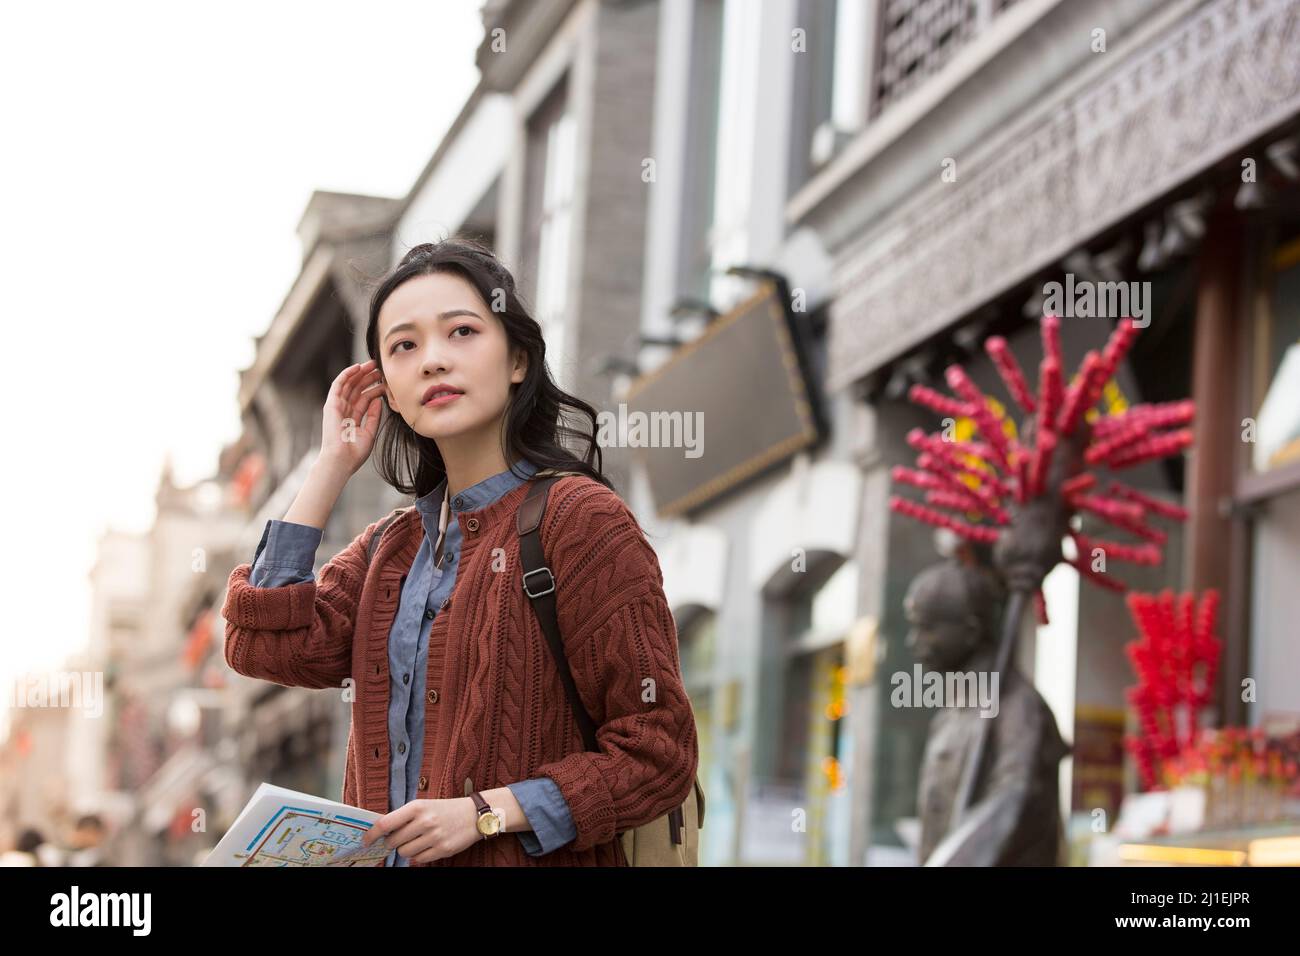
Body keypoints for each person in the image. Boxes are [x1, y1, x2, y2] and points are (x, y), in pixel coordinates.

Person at [222, 237, 698, 866]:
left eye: (463, 332)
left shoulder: (580, 522)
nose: (433, 361)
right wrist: (331, 464)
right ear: (386, 389)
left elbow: (658, 749)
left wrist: (488, 813)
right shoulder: (391, 550)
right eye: (404, 346)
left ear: (518, 360)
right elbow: (261, 645)